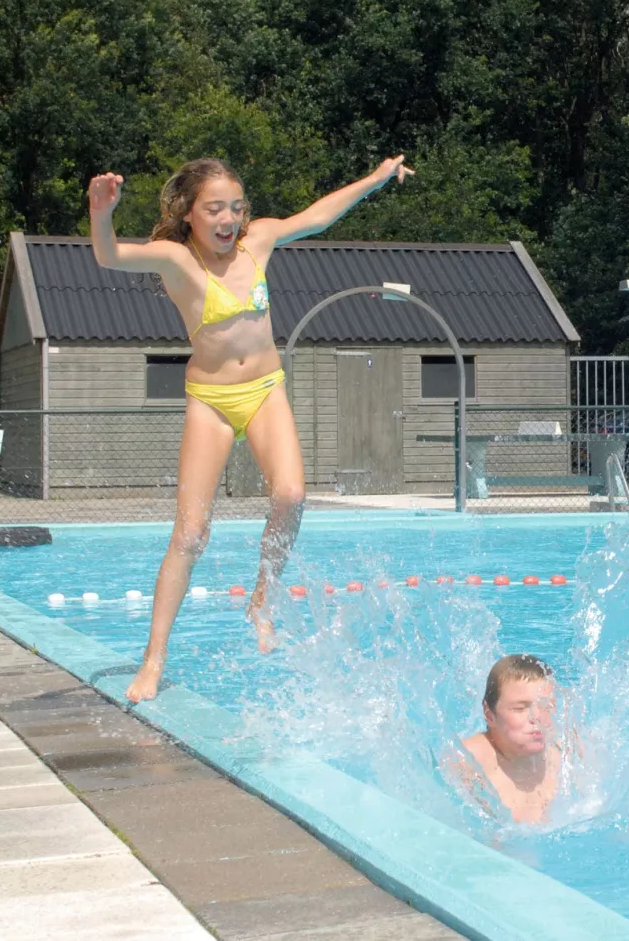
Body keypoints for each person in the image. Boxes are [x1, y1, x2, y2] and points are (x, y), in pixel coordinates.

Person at [86, 155, 413, 702]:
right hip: (210, 401)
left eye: (236, 207)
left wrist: (375, 179)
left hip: (264, 390)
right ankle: (152, 659)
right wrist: (101, 212)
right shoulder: (176, 260)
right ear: (189, 213)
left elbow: (318, 217)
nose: (228, 218)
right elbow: (110, 254)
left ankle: (262, 597)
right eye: (214, 208)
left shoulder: (256, 244)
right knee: (190, 533)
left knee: (291, 494)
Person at [453, 654, 561, 823]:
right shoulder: (466, 763)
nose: (536, 717)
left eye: (546, 706)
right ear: (489, 715)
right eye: (520, 708)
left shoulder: (567, 756)